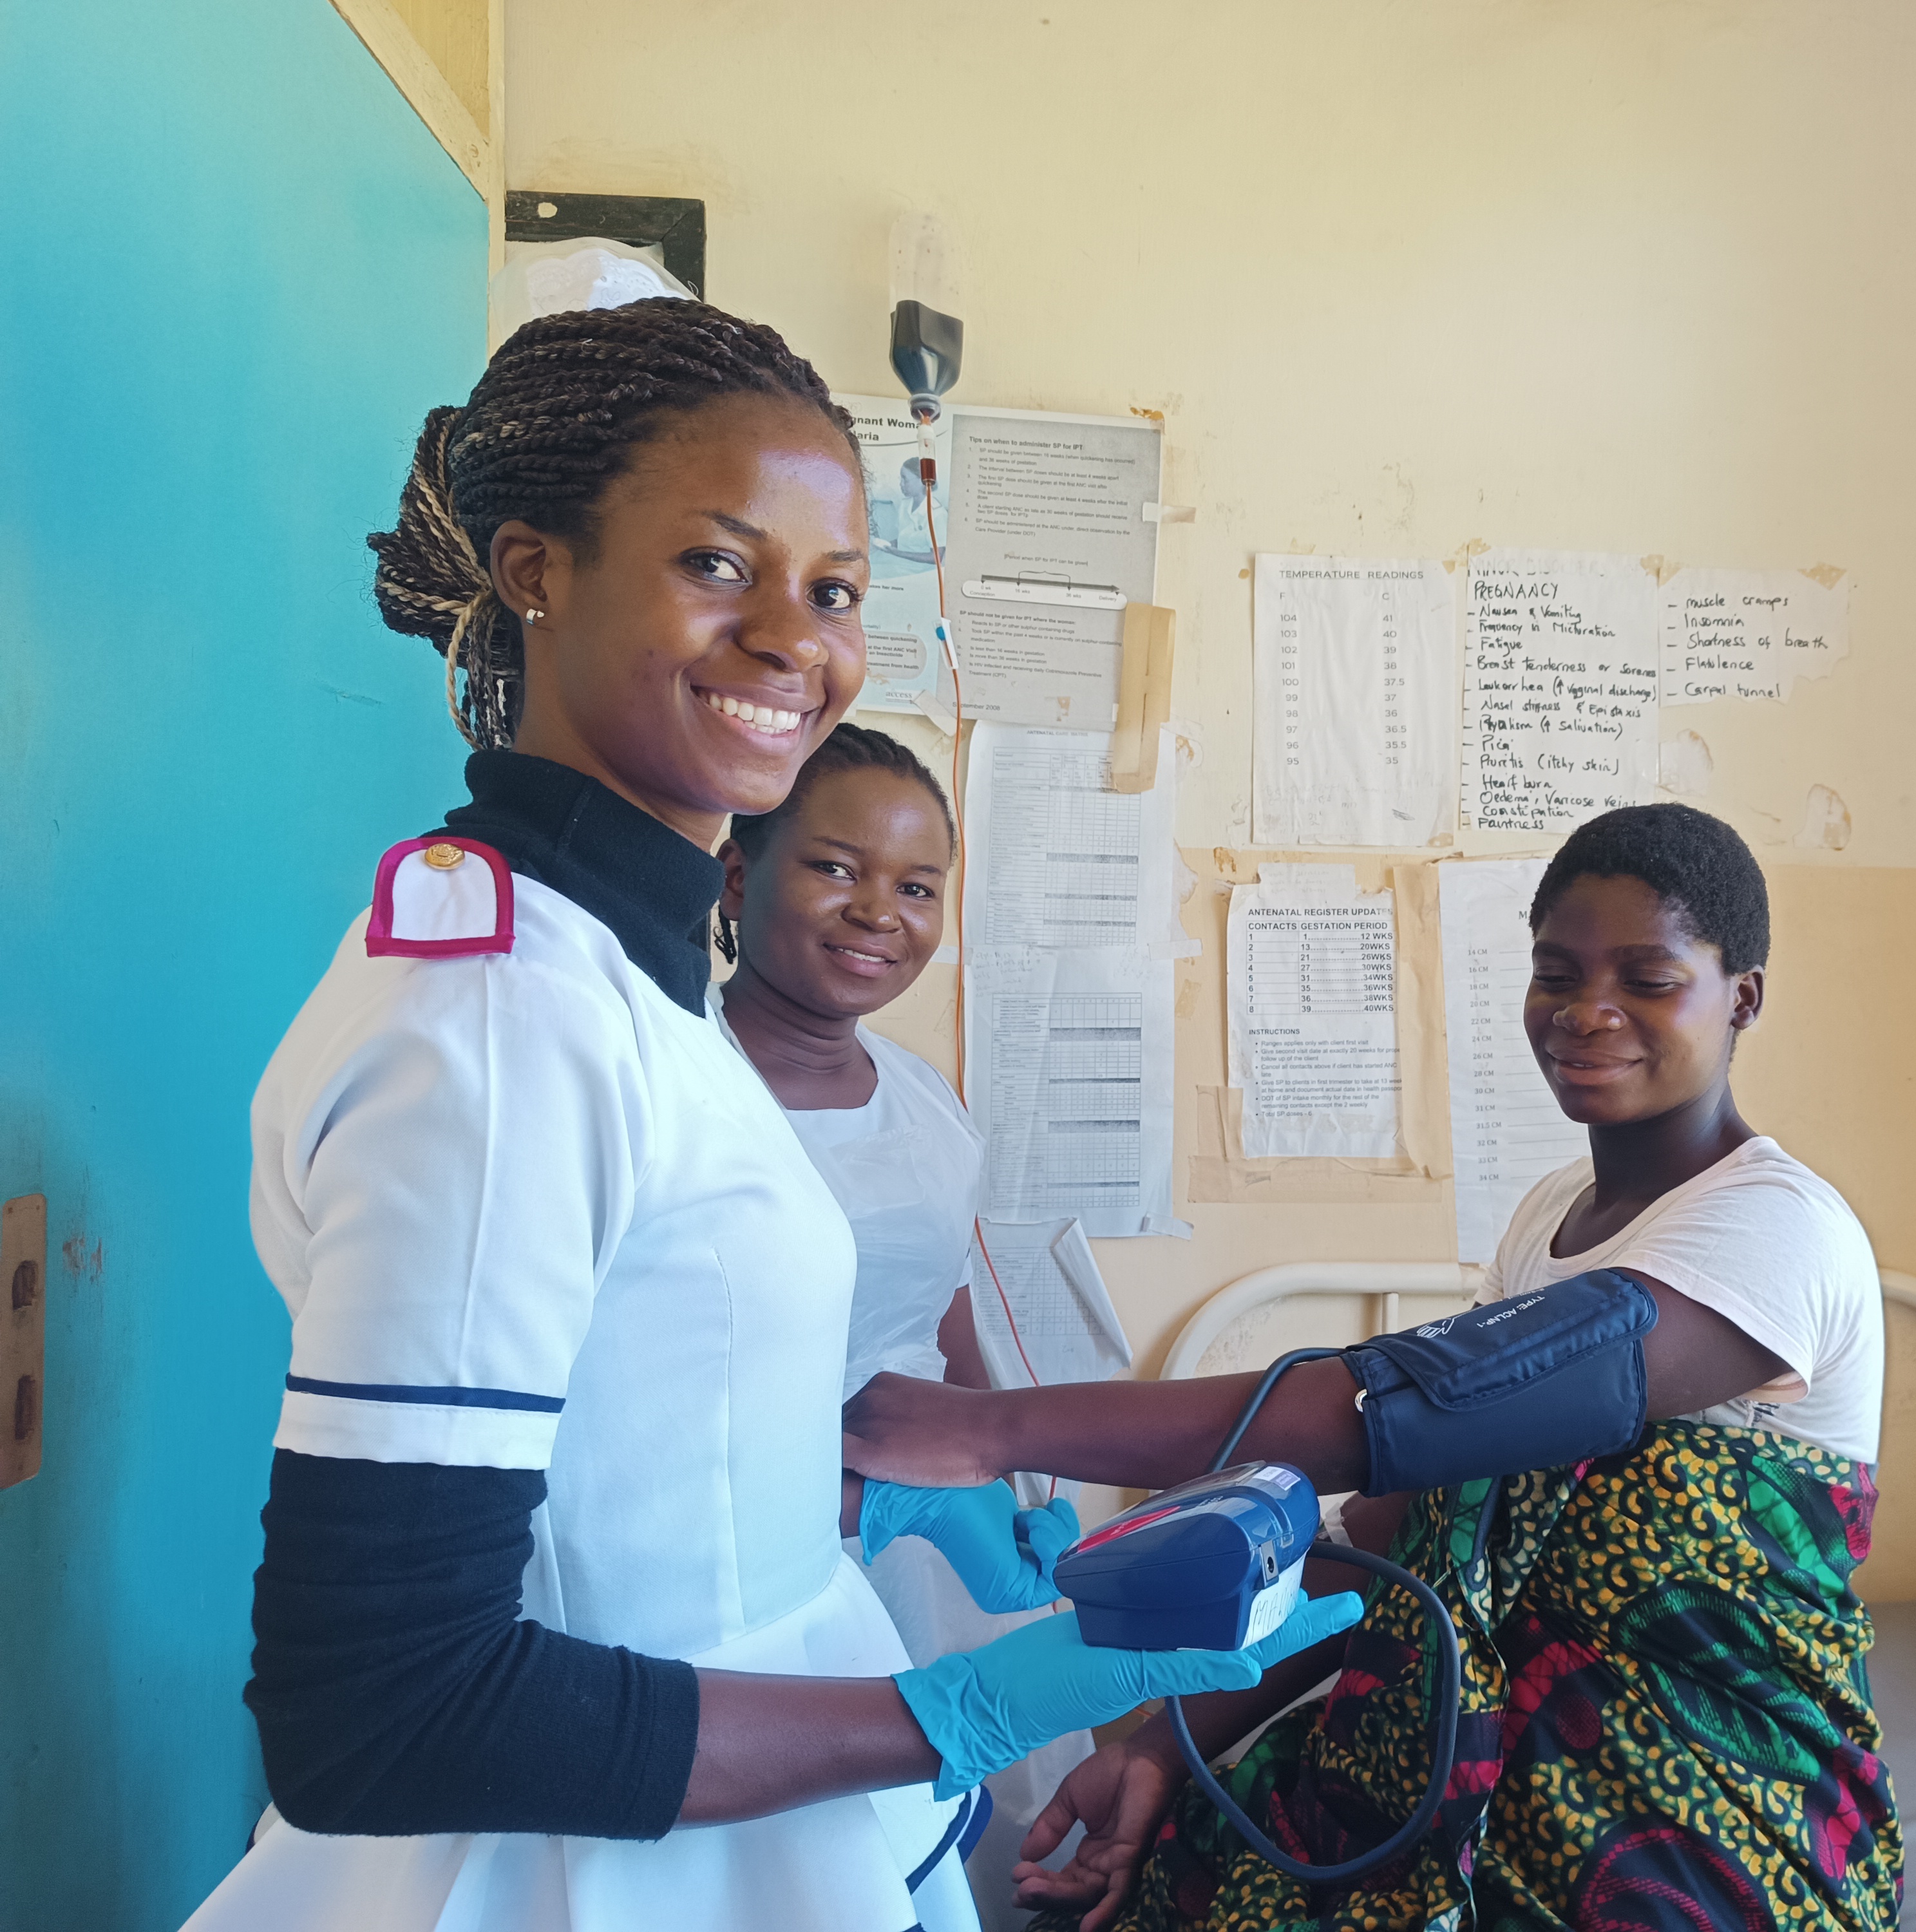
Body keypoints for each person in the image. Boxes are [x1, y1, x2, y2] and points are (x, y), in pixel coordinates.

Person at [184, 298, 1354, 1932]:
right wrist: (949, 1715)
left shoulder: (617, 976)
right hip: (588, 1870)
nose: (793, 639)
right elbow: (380, 1712)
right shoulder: (502, 1024)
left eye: (835, 590)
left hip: (746, 1810)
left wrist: (871, 1504)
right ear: (536, 570)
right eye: (716, 564)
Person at [844, 802, 1901, 1932]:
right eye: (1557, 973)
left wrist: (994, 1430)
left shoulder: (1779, 1228)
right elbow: (1399, 1536)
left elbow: (1414, 1410)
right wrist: (1162, 1746)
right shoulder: (1552, 1217)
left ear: (1742, 997)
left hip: (1700, 1807)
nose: (1587, 1011)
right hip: (1452, 1749)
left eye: (1648, 979)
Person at [711, 720, 1096, 1920]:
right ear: (737, 878)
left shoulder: (925, 1102)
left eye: (917, 887)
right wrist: (882, 1502)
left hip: (938, 1556)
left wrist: (1015, 1481)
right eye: (836, 868)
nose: (880, 911)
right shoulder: (681, 1094)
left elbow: (943, 1308)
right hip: (745, 1562)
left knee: (958, 1845)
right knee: (795, 1867)